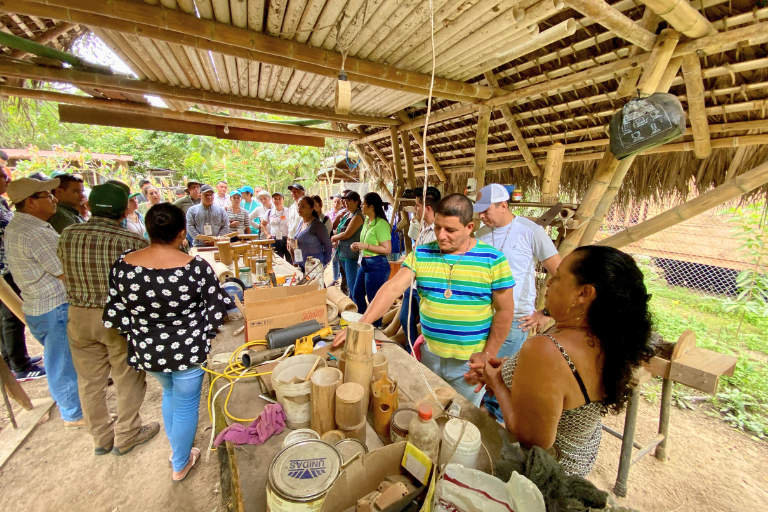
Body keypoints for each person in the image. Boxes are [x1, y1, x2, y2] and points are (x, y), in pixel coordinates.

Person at [468, 246, 654, 477]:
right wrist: (513, 371)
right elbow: (560, 387)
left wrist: (496, 382)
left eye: (559, 277)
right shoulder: (608, 336)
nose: (549, 282)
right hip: (579, 459)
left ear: (584, 293)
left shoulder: (547, 350)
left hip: (547, 475)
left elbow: (534, 441)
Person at [333, 194, 515, 406]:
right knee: (428, 410)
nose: (441, 235)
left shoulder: (493, 260)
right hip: (429, 355)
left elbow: (505, 311)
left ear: (470, 227)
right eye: (438, 227)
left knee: (462, 418)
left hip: (469, 364)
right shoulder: (421, 254)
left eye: (451, 230)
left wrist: (488, 354)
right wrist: (361, 326)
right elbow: (391, 289)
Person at [104, 203, 231, 481]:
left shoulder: (124, 265)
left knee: (169, 393)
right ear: (182, 233)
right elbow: (217, 310)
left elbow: (116, 313)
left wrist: (143, 333)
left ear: (148, 231)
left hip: (148, 352)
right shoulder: (195, 267)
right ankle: (180, 463)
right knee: (185, 403)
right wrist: (202, 333)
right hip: (187, 351)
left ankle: (177, 451)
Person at [58, 183, 160, 456]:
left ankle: (101, 438)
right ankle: (127, 433)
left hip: (79, 314)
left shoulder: (67, 234)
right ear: (123, 209)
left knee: (90, 381)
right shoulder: (132, 242)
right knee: (127, 376)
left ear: (89, 206)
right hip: (119, 317)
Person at [474, 184, 562, 422]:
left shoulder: (530, 231)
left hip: (515, 318)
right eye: (479, 211)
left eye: (486, 211)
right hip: (482, 314)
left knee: (500, 373)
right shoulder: (481, 235)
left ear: (504, 206)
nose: (481, 216)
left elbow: (561, 273)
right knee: (481, 367)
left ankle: (499, 424)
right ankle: (482, 414)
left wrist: (547, 312)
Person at [5, 178, 83, 427]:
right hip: (54, 307)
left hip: (39, 306)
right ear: (30, 202)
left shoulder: (21, 226)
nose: (54, 200)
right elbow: (66, 274)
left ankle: (72, 407)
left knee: (59, 359)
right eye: (47, 196)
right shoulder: (36, 233)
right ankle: (73, 414)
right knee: (62, 363)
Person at [0, 167, 44, 381]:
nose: (7, 180)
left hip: (9, 266)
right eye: (3, 177)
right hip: (4, 269)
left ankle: (13, 359)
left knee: (8, 318)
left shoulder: (2, 204)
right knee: (11, 317)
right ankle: (20, 365)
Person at [399, 186, 441, 352]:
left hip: (427, 286)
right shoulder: (423, 227)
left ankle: (423, 354)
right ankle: (412, 350)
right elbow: (416, 248)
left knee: (426, 324)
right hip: (413, 283)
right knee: (404, 318)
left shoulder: (439, 232)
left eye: (417, 205)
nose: (415, 209)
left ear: (428, 208)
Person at [350, 193, 392, 325]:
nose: (361, 206)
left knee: (374, 300)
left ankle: (376, 327)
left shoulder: (381, 224)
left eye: (363, 204)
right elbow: (366, 243)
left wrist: (365, 246)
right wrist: (356, 246)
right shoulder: (368, 222)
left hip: (377, 265)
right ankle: (363, 323)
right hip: (365, 263)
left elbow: (387, 249)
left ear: (371, 207)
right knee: (357, 294)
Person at [331, 191, 363, 297]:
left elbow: (347, 234)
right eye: (345, 201)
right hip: (343, 252)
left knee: (352, 282)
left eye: (349, 201)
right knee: (349, 282)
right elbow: (338, 229)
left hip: (351, 254)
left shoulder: (358, 216)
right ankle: (353, 303)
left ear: (356, 202)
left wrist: (334, 237)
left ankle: (358, 307)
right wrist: (336, 235)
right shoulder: (347, 214)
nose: (346, 203)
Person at [293, 196, 333, 273]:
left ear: (311, 209)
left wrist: (324, 263)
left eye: (303, 206)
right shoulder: (301, 222)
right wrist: (297, 262)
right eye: (298, 205)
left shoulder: (317, 225)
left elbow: (328, 245)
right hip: (302, 264)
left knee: (316, 285)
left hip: (314, 266)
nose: (299, 208)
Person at [261, 192, 291, 263]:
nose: (277, 201)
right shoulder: (269, 212)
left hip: (287, 239)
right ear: (272, 200)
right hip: (274, 239)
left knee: (290, 261)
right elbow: (263, 224)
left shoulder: (288, 212)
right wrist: (267, 234)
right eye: (275, 199)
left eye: (279, 199)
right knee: (276, 260)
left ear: (283, 200)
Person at [286, 183, 306, 254]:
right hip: (291, 239)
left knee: (301, 262)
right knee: (293, 263)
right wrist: (288, 239)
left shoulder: (306, 207)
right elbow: (289, 224)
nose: (293, 193)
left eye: (296, 191)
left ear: (303, 193)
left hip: (301, 240)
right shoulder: (291, 207)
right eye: (292, 191)